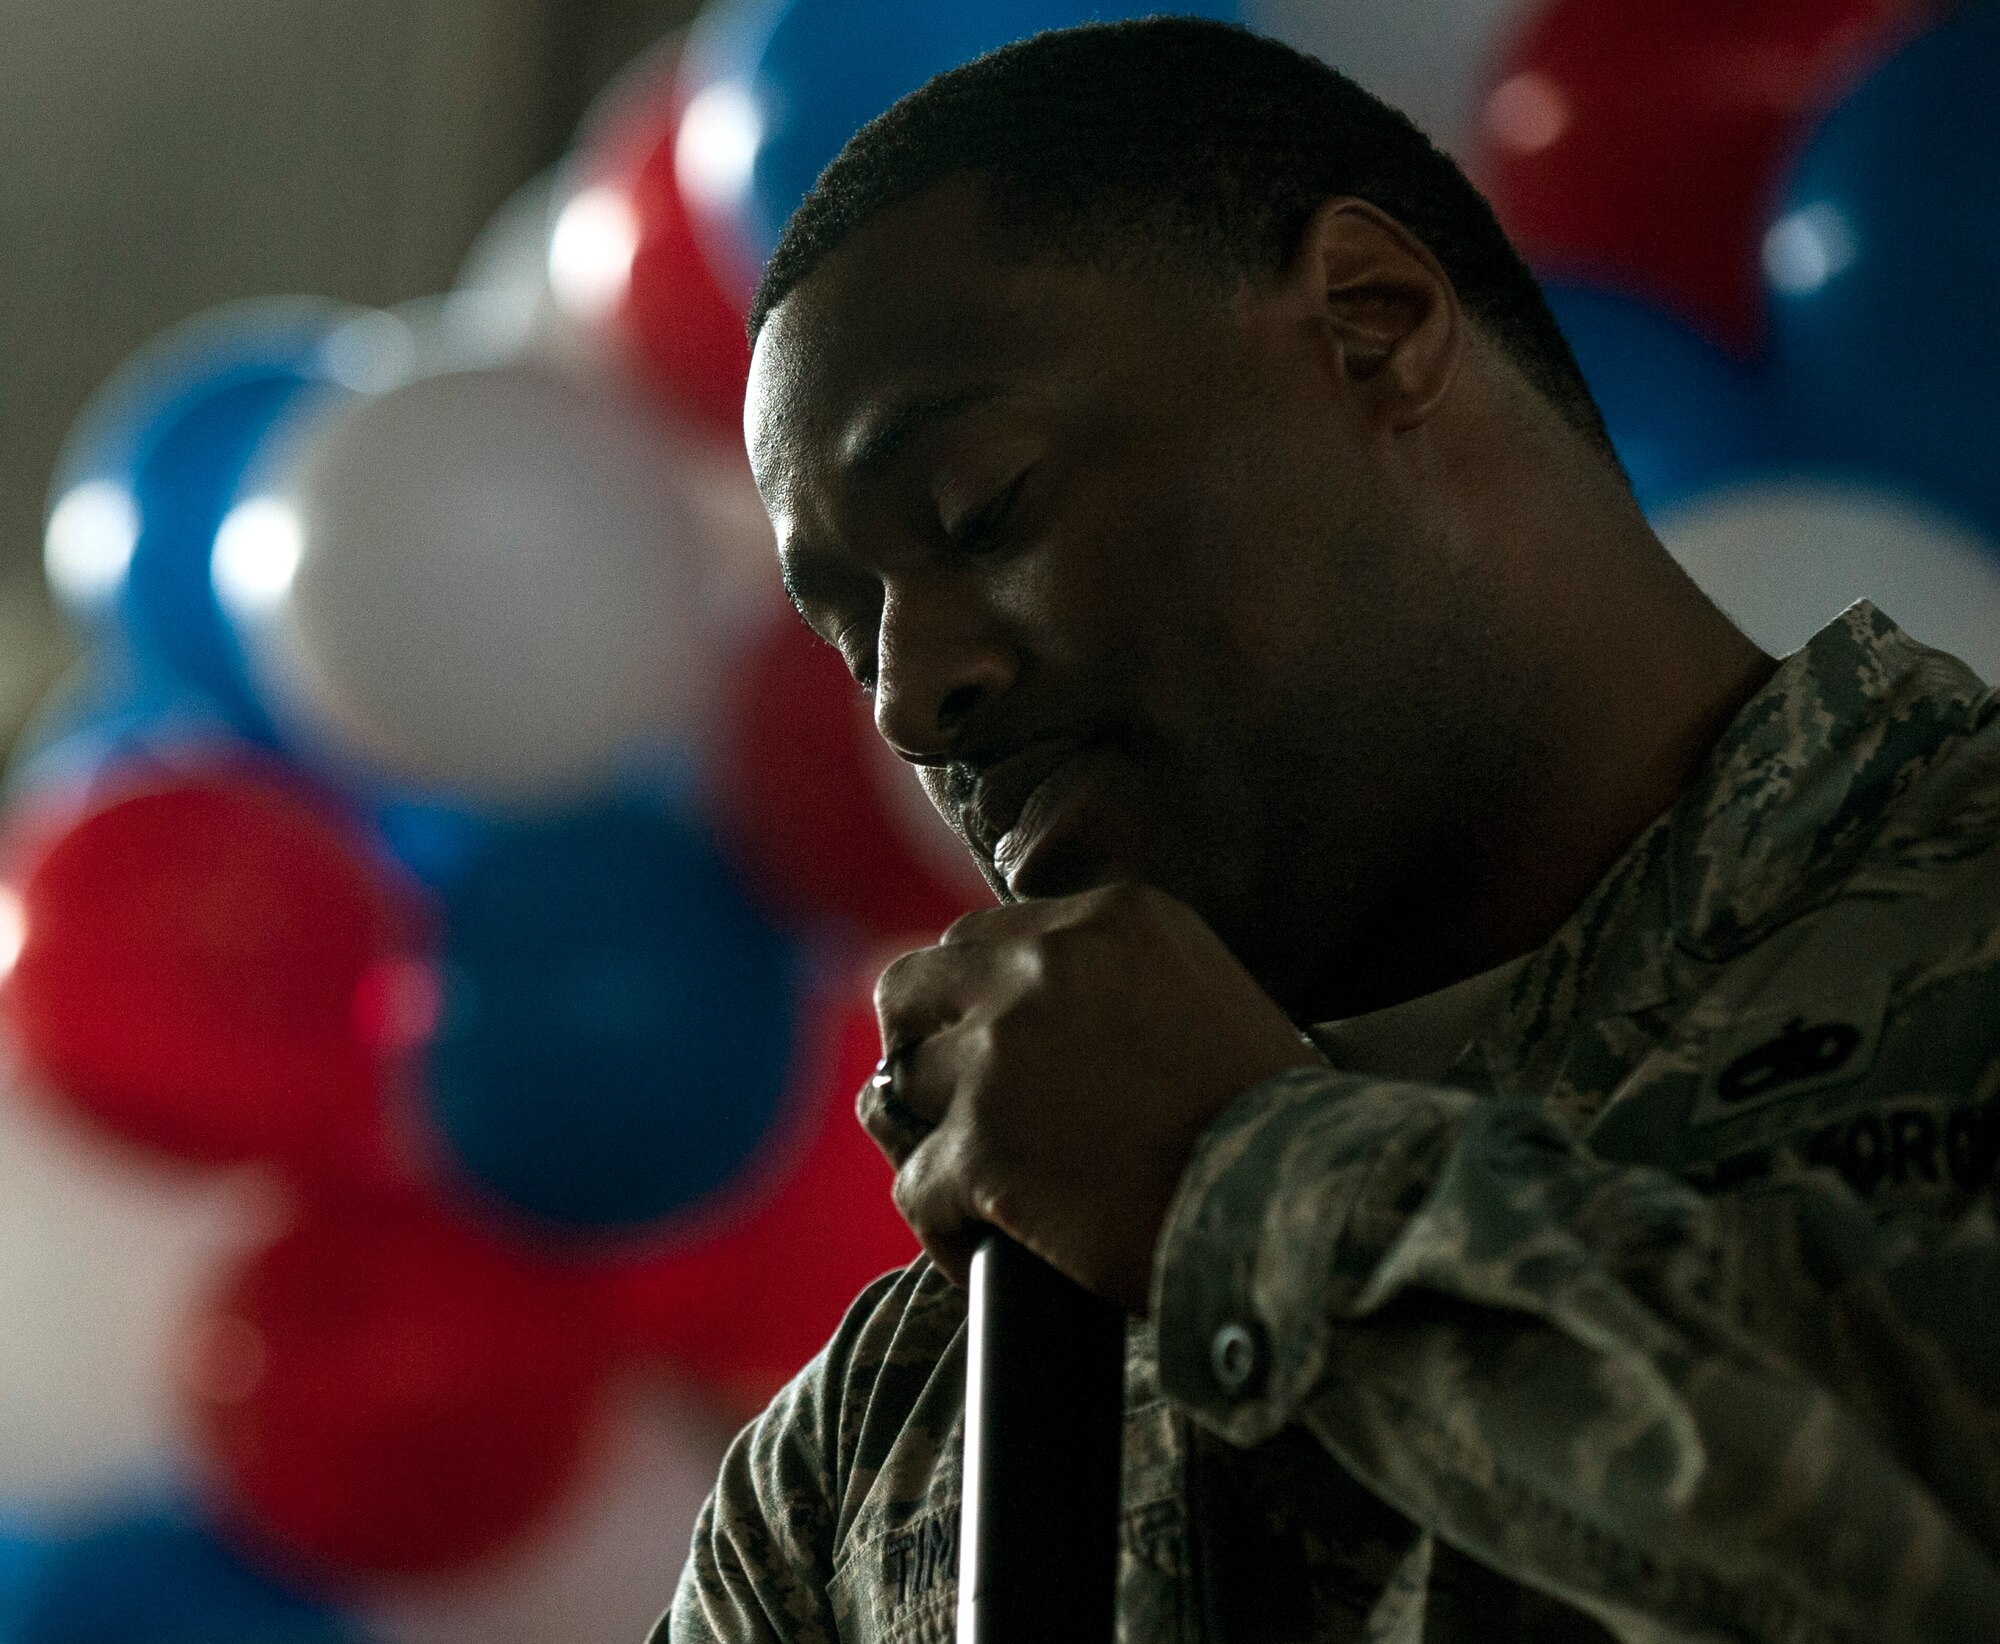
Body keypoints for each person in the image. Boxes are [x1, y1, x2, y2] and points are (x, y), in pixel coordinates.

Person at [662, 17, 2000, 1642]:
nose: (908, 697)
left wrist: (1249, 1196)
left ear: (1373, 324)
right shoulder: (874, 1448)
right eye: (852, 627)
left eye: (980, 510)